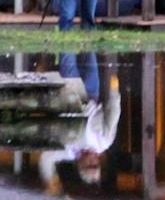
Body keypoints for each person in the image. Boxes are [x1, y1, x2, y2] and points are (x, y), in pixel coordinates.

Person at [38, 49, 121, 189]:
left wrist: (50, 179)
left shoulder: (69, 150)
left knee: (67, 54)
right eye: (96, 165)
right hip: (91, 93)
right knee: (89, 52)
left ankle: (66, 28)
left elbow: (46, 157)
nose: (94, 161)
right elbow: (113, 113)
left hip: (72, 93)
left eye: (90, 166)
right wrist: (114, 90)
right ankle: (88, 27)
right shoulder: (104, 141)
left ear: (80, 166)